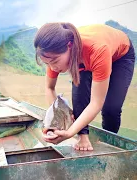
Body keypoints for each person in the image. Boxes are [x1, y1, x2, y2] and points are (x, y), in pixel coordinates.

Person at [34, 22, 135, 151]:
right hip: (86, 54)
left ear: (69, 46)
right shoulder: (52, 54)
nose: (53, 68)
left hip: (121, 56)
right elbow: (49, 88)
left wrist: (69, 132)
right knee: (79, 94)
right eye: (47, 63)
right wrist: (59, 118)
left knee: (111, 109)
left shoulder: (97, 50)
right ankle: (83, 137)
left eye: (55, 61)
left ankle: (109, 145)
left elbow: (96, 103)